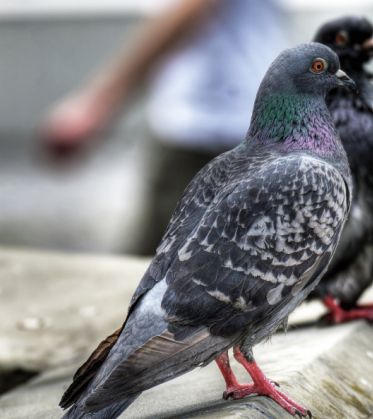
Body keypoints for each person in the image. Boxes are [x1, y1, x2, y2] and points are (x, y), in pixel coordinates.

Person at [40, 0, 288, 255]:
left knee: (151, 272)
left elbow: (190, 8)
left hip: (207, 127)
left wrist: (99, 102)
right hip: (241, 117)